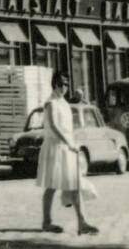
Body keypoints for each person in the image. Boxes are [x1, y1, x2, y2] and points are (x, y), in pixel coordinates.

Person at [37, 71, 97, 235]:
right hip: (56, 147)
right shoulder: (50, 103)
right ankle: (46, 222)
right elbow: (54, 126)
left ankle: (82, 222)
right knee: (52, 186)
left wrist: (72, 141)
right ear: (55, 84)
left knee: (74, 184)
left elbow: (67, 125)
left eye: (67, 84)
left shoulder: (62, 102)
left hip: (67, 147)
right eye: (63, 84)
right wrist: (68, 142)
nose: (66, 87)